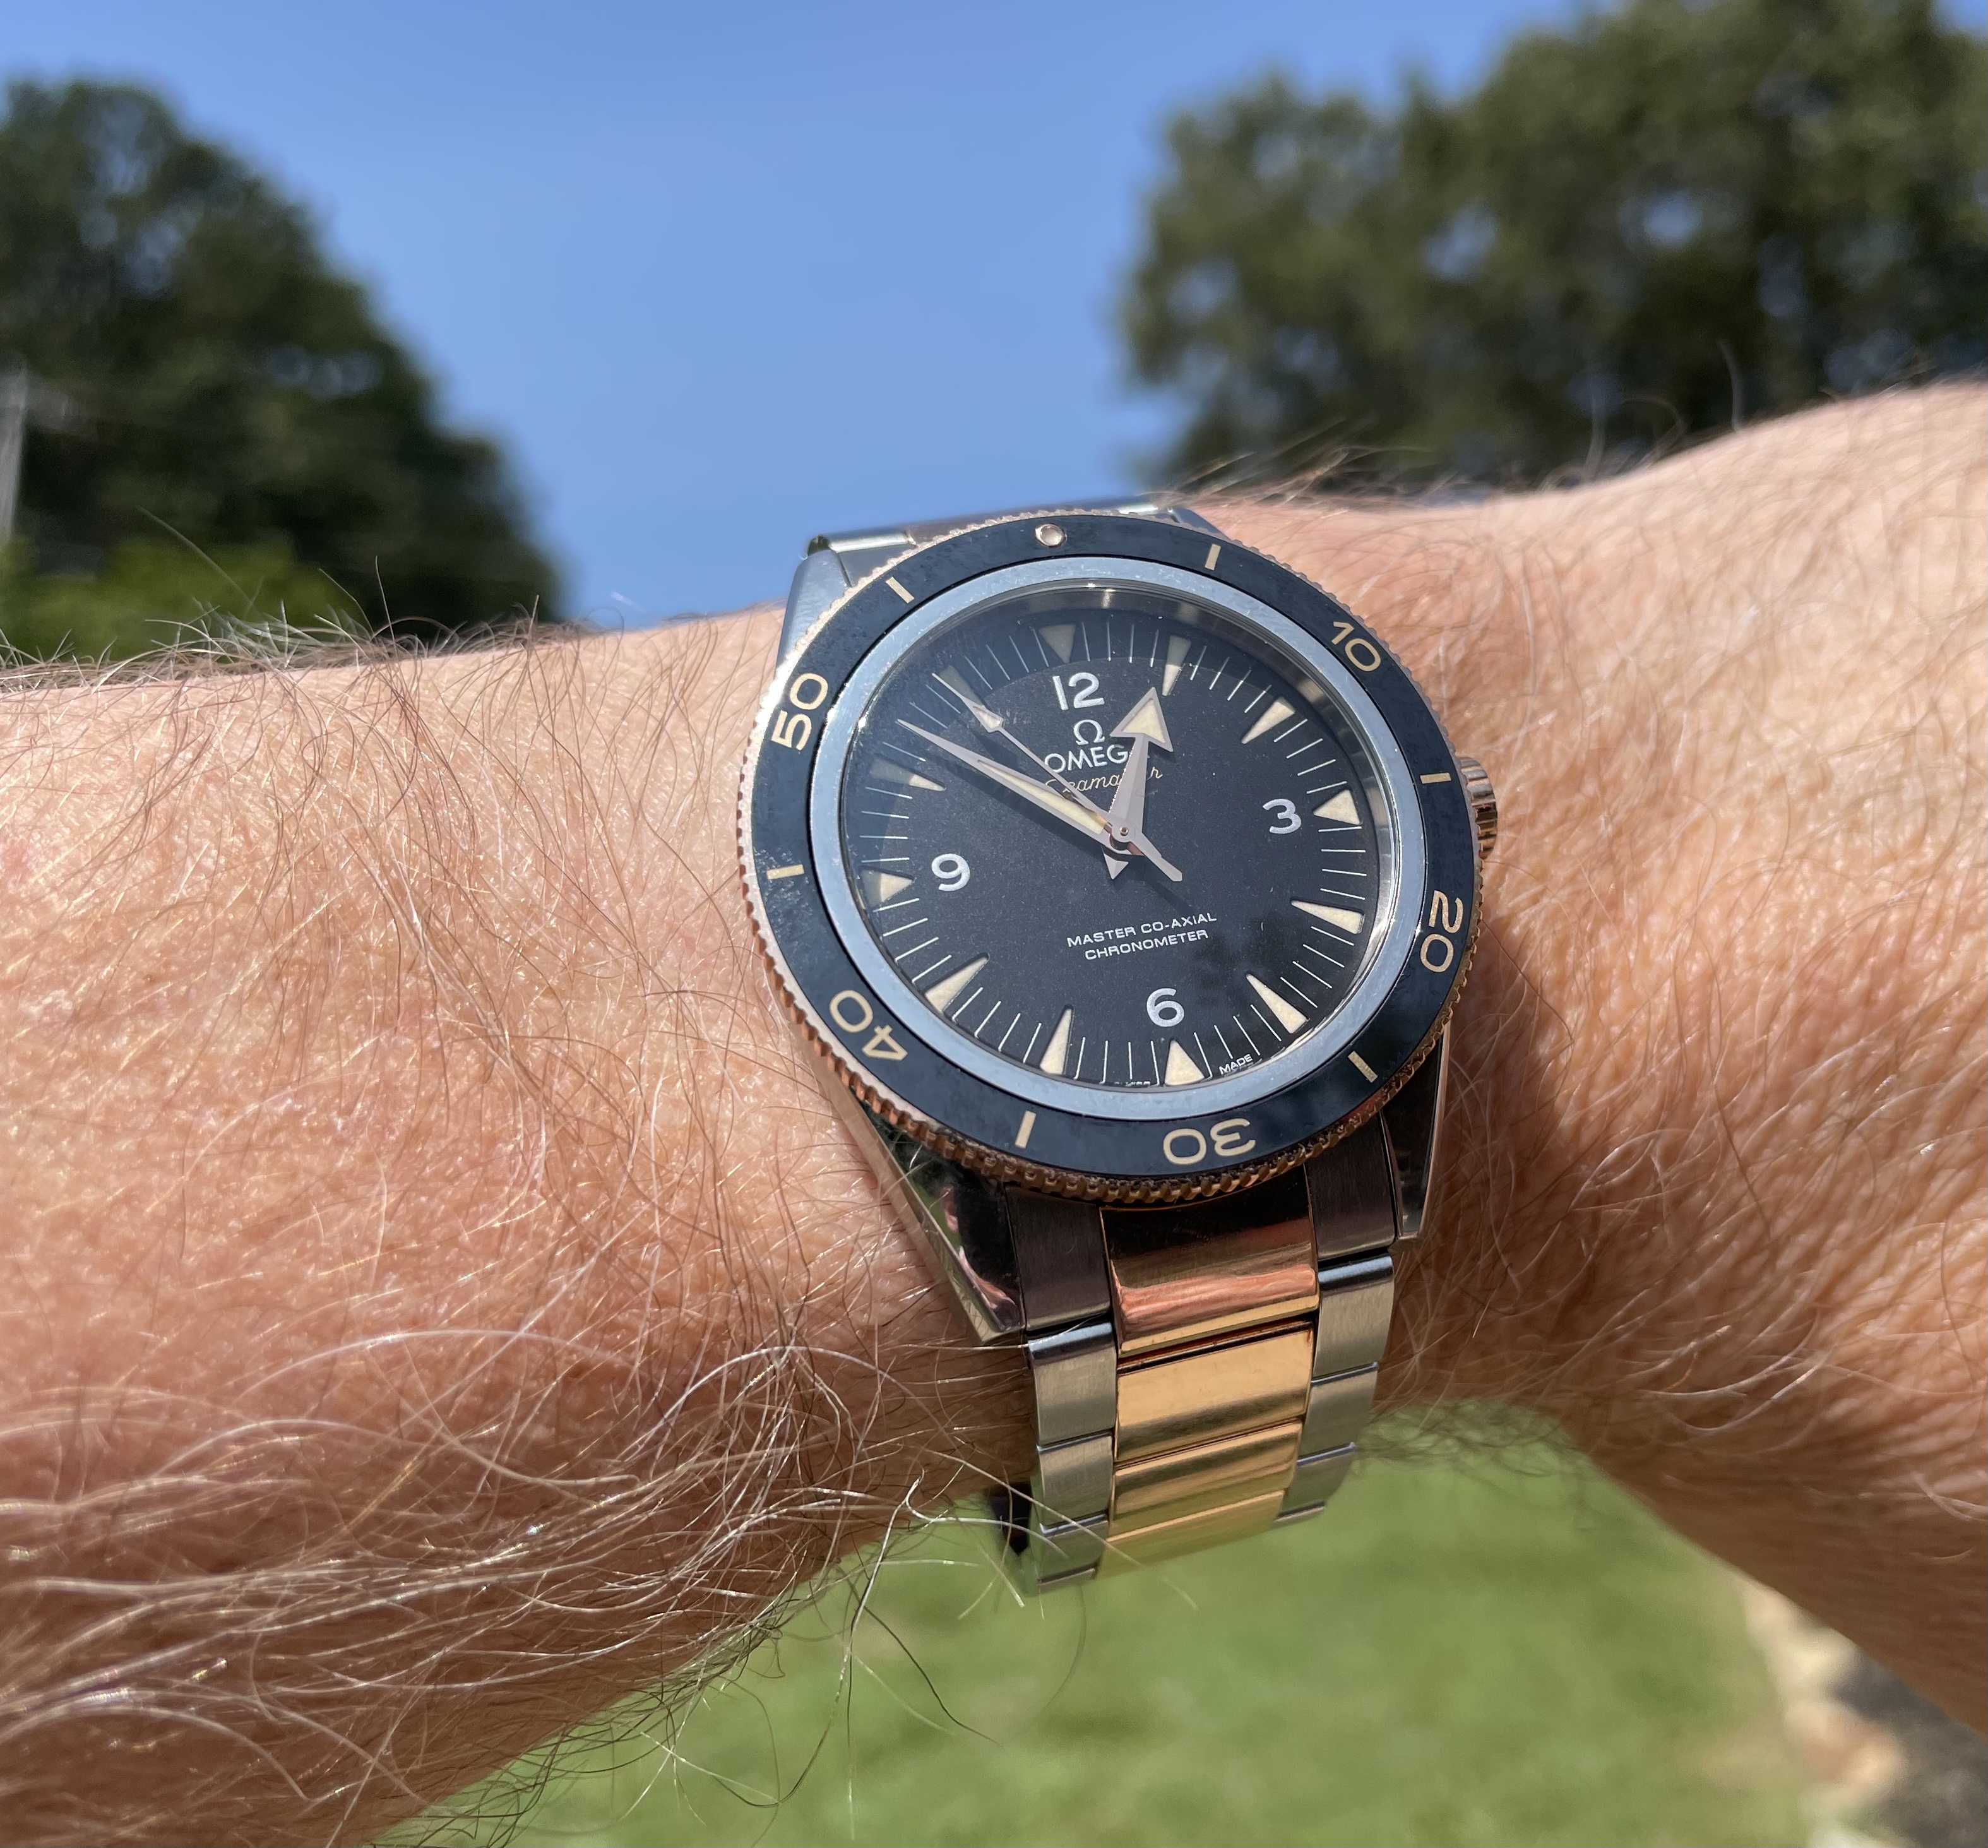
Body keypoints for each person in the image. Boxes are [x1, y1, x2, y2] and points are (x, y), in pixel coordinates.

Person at [0, 385, 1979, 1846]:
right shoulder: (834, 831)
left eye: (1130, 809)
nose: (1124, 842)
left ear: (1444, 832)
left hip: (1296, 1071)